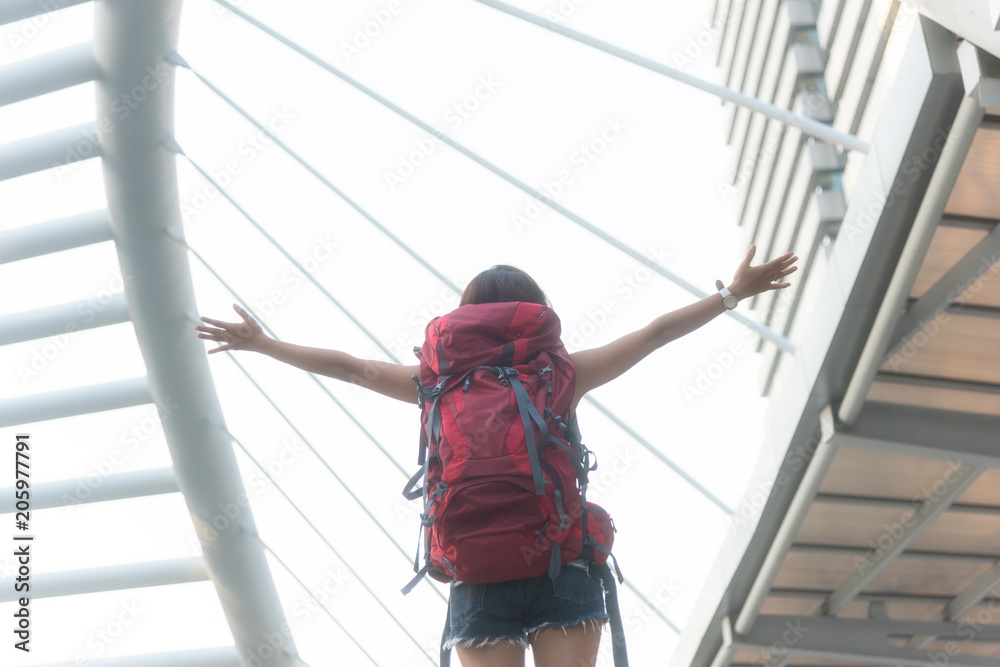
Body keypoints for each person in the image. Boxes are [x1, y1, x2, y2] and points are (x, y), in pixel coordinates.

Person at [194, 244, 798, 667]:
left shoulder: (434, 385)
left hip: (476, 573)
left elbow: (352, 369)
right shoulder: (559, 375)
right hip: (562, 564)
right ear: (535, 314)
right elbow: (656, 334)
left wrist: (264, 344)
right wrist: (729, 294)